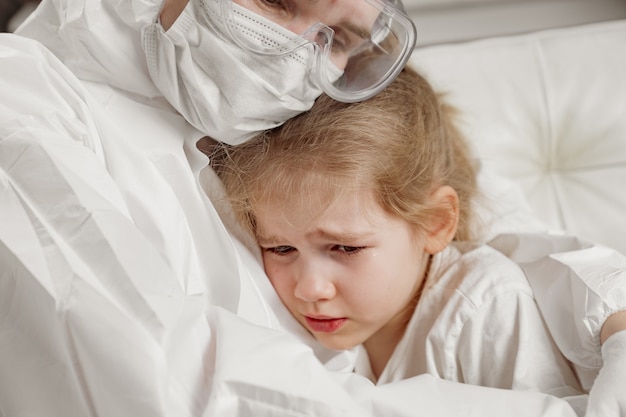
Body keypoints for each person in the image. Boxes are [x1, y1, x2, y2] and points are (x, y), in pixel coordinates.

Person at [0, 0, 624, 416]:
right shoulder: (24, 100)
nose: (298, 52)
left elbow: (479, 215)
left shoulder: (303, 84)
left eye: (342, 34)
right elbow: (172, 382)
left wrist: (612, 316)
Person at [209, 65, 584, 400]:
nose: (309, 288)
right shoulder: (302, 329)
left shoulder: (484, 305)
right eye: (279, 248)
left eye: (345, 248)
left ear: (435, 222)